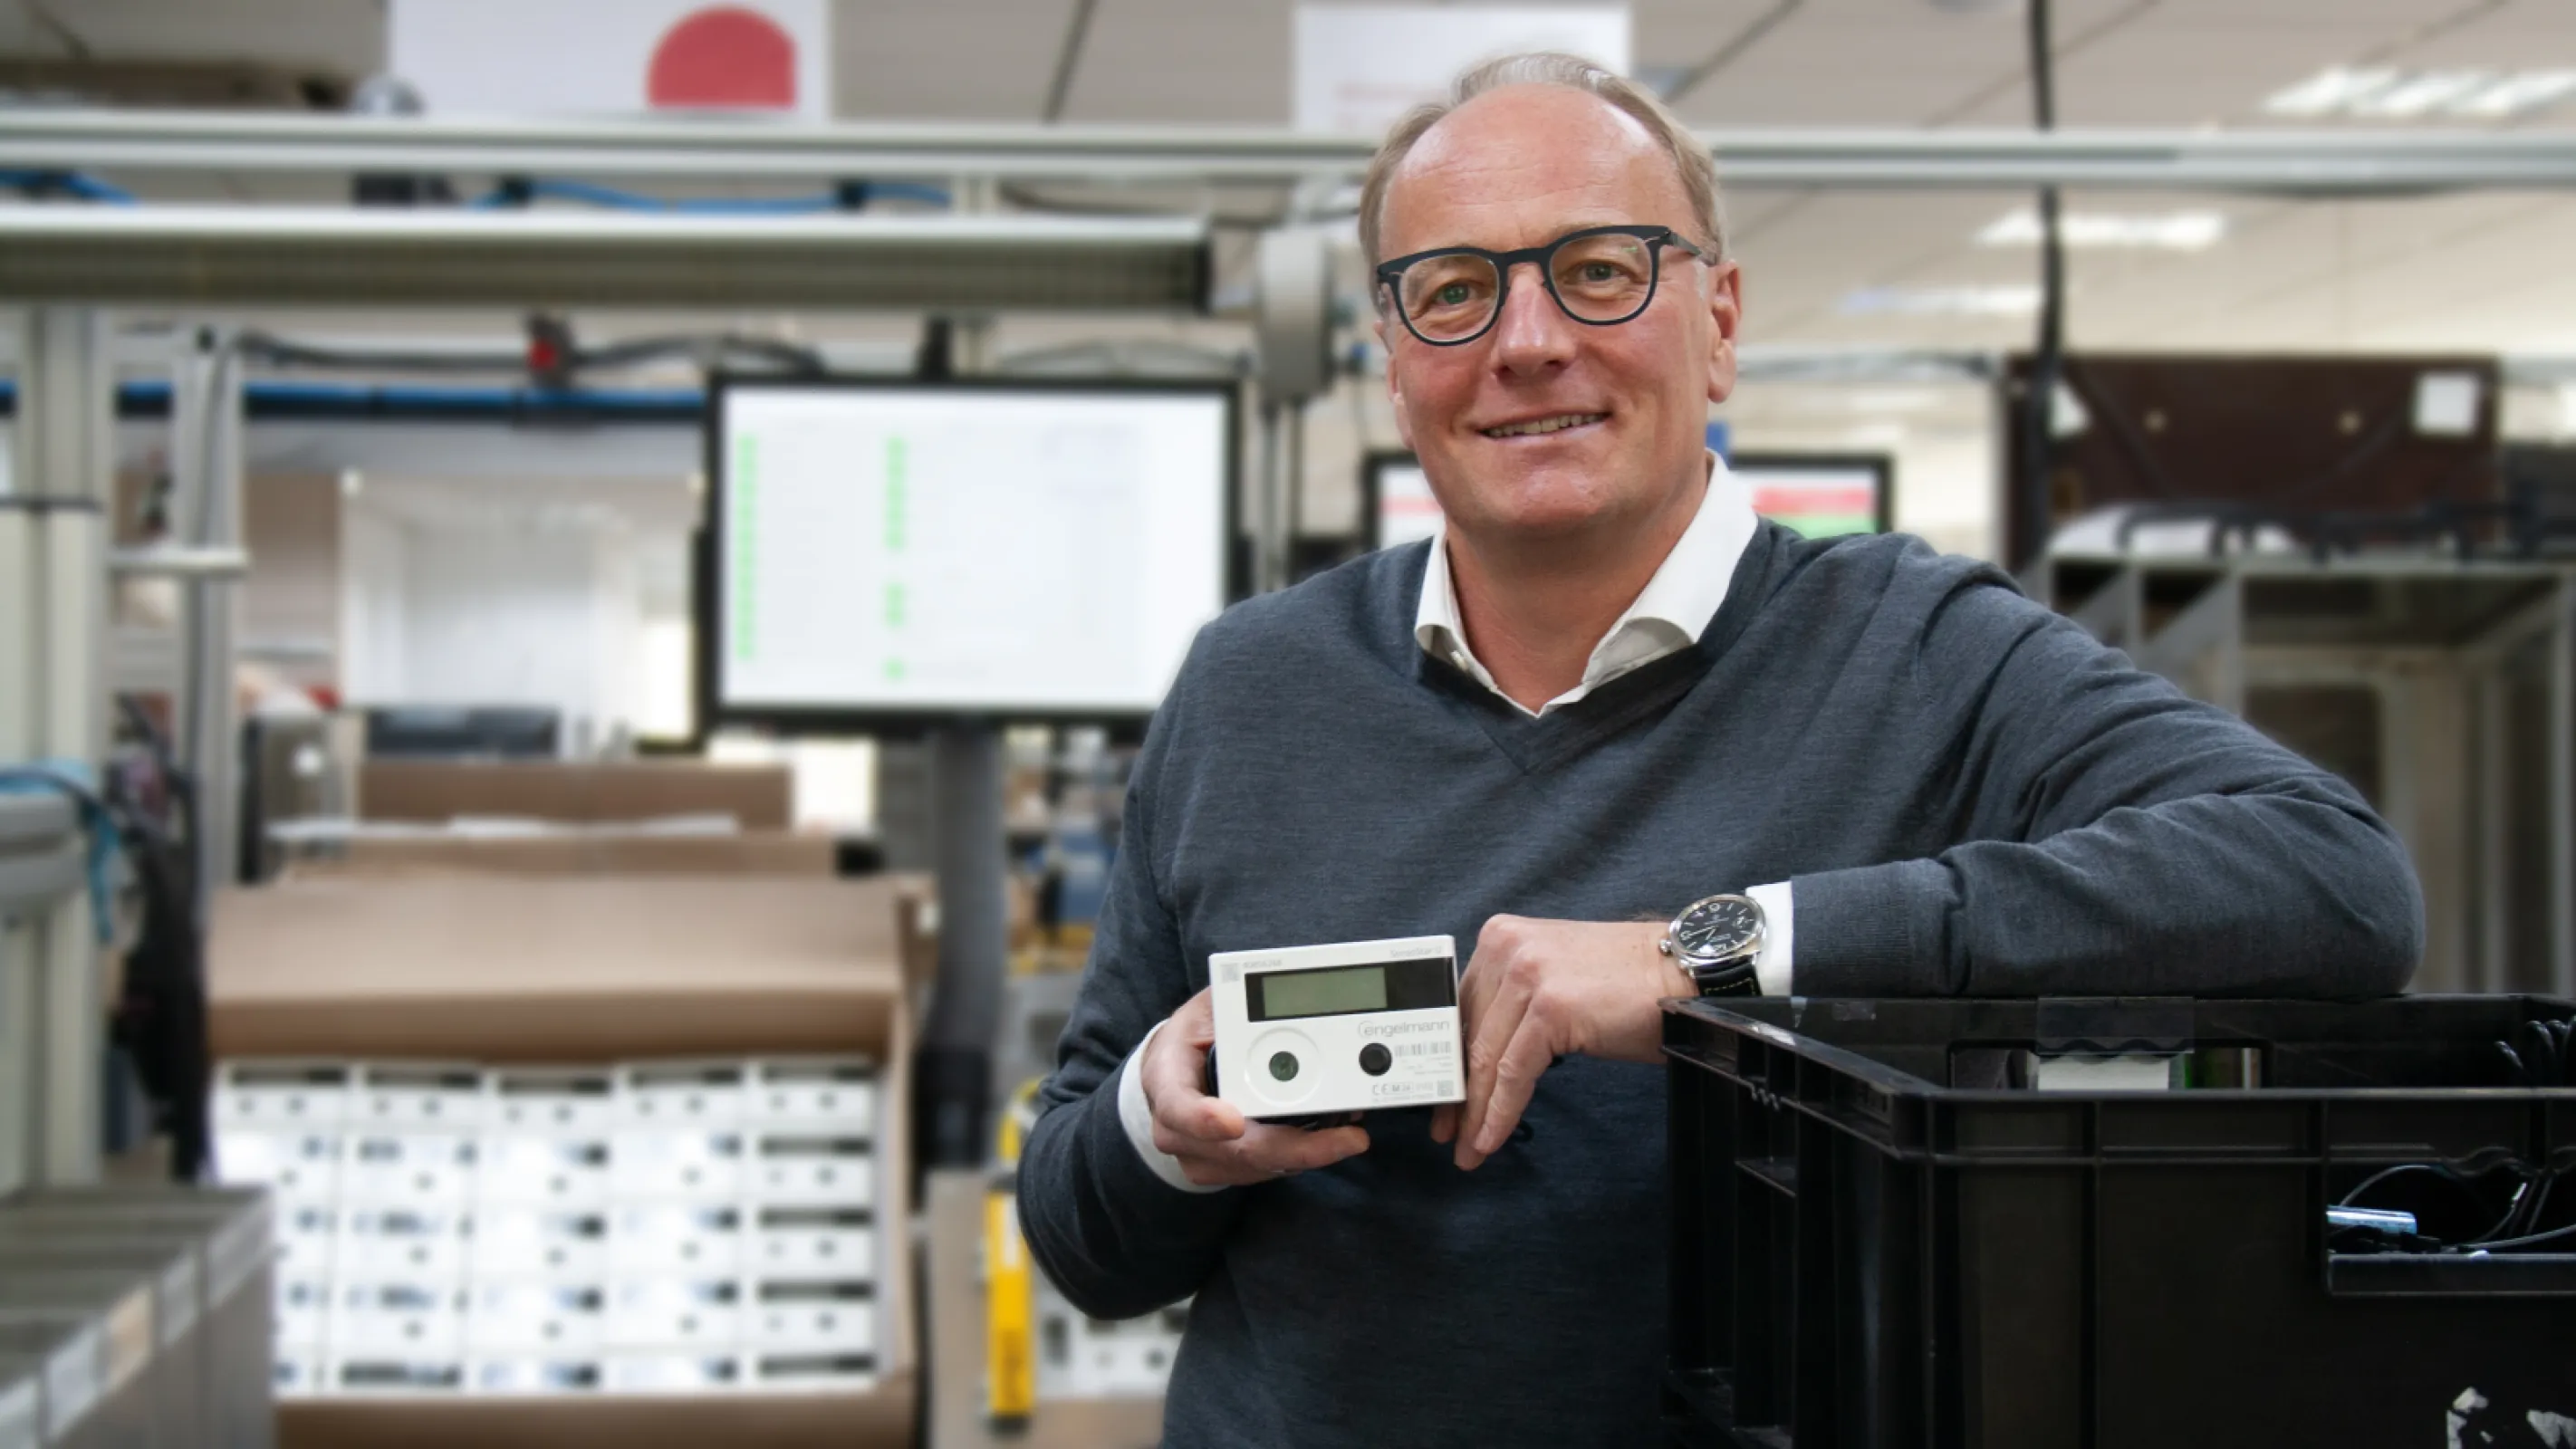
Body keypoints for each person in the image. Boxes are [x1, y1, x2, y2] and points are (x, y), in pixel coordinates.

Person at [1016, 52, 2421, 1448]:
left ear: (1723, 320)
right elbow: (1086, 1241)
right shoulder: (1251, 686)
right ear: (1395, 362)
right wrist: (1161, 1123)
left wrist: (1712, 957)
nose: (1526, 342)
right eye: (1453, 291)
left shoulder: (1919, 650)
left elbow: (2333, 885)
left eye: (1601, 269)